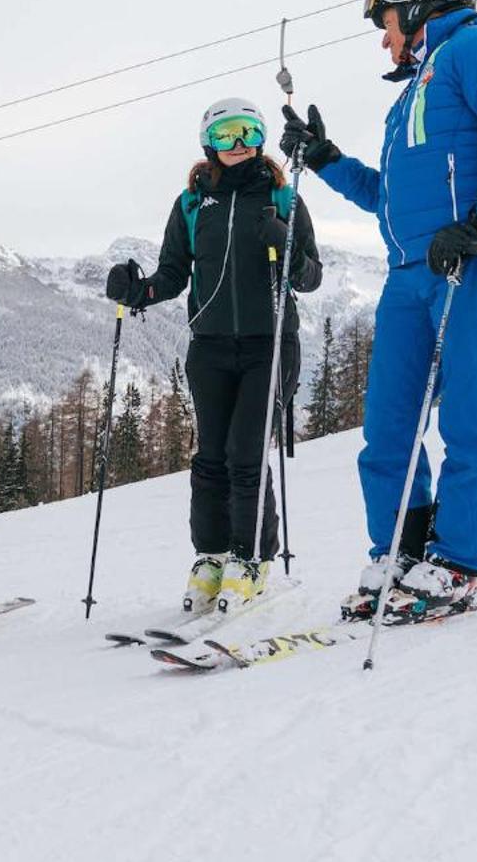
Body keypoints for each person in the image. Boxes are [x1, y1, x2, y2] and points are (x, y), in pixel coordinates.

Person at [281, 0, 477, 618]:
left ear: (418, 8)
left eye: (386, 26)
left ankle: (460, 563)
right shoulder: (411, 95)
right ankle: (402, 553)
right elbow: (388, 197)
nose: (384, 42)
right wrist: (324, 158)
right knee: (387, 425)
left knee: (470, 416)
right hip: (412, 269)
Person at [105, 98, 323, 617]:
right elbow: (174, 273)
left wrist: (284, 243)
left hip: (271, 344)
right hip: (209, 347)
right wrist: (138, 292)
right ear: (209, 143)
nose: (239, 143)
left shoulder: (283, 198)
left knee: (245, 456)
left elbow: (311, 277)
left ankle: (251, 559)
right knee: (210, 460)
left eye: (249, 132)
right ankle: (212, 555)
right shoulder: (190, 203)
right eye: (226, 135)